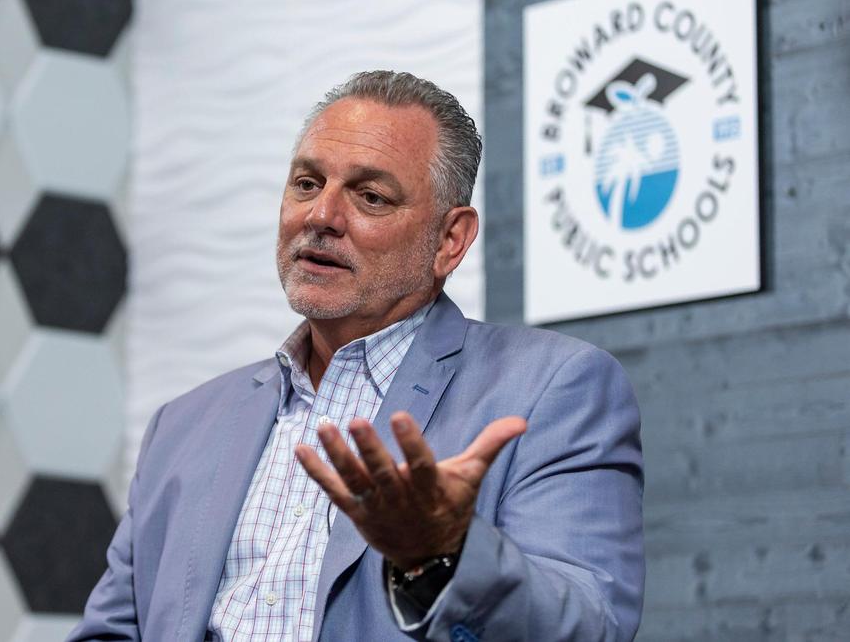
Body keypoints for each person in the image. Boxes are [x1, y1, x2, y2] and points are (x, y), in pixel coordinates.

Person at [67, 71, 644, 641]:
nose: (321, 217)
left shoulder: (553, 390)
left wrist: (443, 557)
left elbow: (592, 629)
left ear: (450, 241)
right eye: (307, 184)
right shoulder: (184, 425)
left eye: (370, 196)